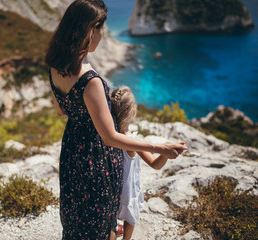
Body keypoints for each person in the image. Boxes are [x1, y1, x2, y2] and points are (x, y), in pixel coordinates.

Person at [45, 1, 187, 239]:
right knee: (100, 218)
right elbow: (109, 137)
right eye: (102, 28)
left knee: (76, 214)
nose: (103, 34)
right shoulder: (90, 80)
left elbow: (61, 110)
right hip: (95, 157)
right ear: (91, 30)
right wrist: (160, 147)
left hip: (71, 149)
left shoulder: (55, 66)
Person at [110, 86, 184, 240]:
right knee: (129, 218)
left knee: (109, 220)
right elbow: (155, 164)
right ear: (133, 113)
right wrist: (166, 153)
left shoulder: (108, 135)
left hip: (110, 188)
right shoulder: (133, 141)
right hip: (127, 190)